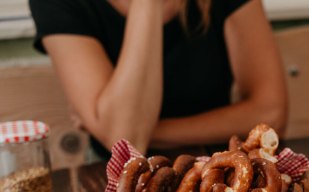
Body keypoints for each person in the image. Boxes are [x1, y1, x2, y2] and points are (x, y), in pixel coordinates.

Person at [29, 0, 287, 156]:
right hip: (116, 181)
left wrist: (141, 132)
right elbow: (126, 137)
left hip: (221, 166)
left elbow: (271, 113)